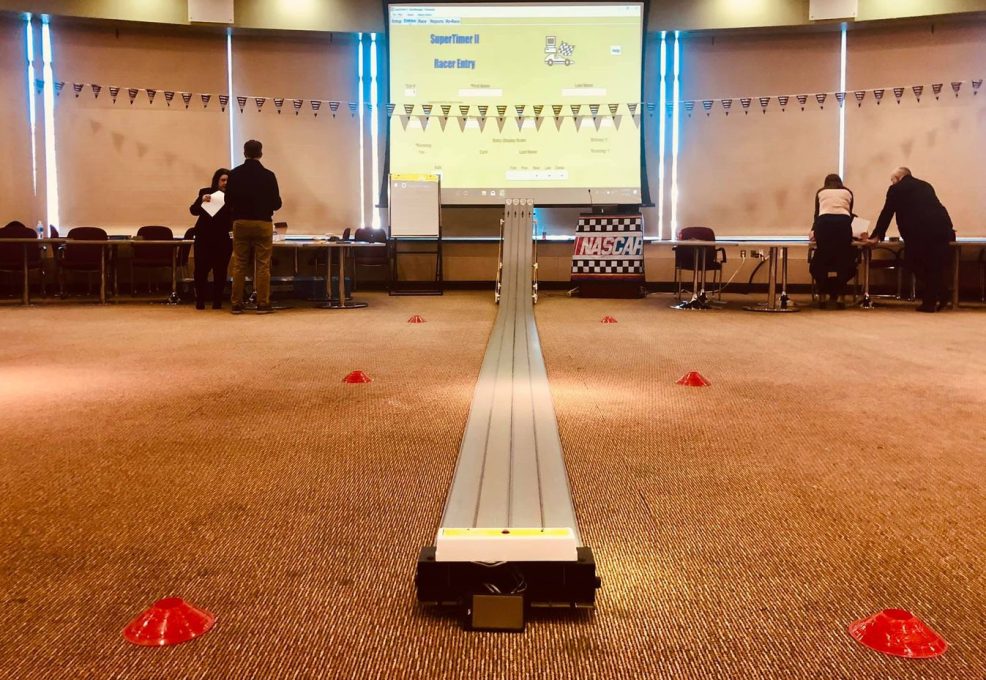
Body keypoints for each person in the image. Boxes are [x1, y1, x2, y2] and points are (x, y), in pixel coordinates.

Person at [867, 167, 955, 312]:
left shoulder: (896, 189)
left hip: (919, 232)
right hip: (941, 229)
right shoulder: (926, 185)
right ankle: (931, 301)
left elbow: (887, 212)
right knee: (933, 266)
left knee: (912, 263)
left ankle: (941, 292)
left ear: (897, 178)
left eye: (892, 180)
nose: (892, 183)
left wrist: (877, 235)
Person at [224, 139, 281, 314]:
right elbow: (277, 203)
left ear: (244, 153)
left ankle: (236, 303)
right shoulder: (268, 175)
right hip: (263, 222)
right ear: (260, 154)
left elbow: (227, 201)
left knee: (239, 263)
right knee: (263, 264)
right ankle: (263, 303)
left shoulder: (234, 174)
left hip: (241, 222)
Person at [809, 174, 857, 309]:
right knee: (843, 259)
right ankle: (840, 295)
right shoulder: (847, 192)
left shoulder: (821, 192)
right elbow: (849, 212)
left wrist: (813, 230)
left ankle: (822, 294)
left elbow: (817, 214)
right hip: (843, 224)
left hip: (823, 224)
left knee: (821, 258)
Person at [189, 168, 232, 310]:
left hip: (223, 237)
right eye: (223, 180)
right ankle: (200, 300)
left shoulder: (233, 197)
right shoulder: (206, 192)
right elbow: (193, 210)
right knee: (201, 270)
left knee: (221, 270)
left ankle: (217, 301)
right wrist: (202, 201)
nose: (225, 183)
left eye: (228, 180)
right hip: (204, 236)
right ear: (217, 181)